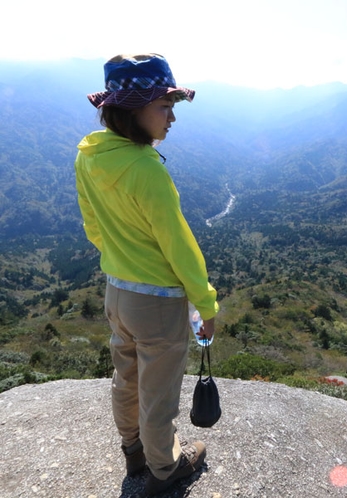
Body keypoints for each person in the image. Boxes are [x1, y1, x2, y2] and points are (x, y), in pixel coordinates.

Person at [74, 53, 219, 497]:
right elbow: (179, 245)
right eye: (164, 106)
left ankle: (132, 451)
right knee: (159, 393)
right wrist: (206, 303)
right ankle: (164, 469)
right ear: (133, 108)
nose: (172, 117)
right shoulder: (146, 168)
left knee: (127, 377)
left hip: (117, 292)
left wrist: (121, 257)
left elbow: (92, 225)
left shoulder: (90, 155)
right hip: (157, 303)